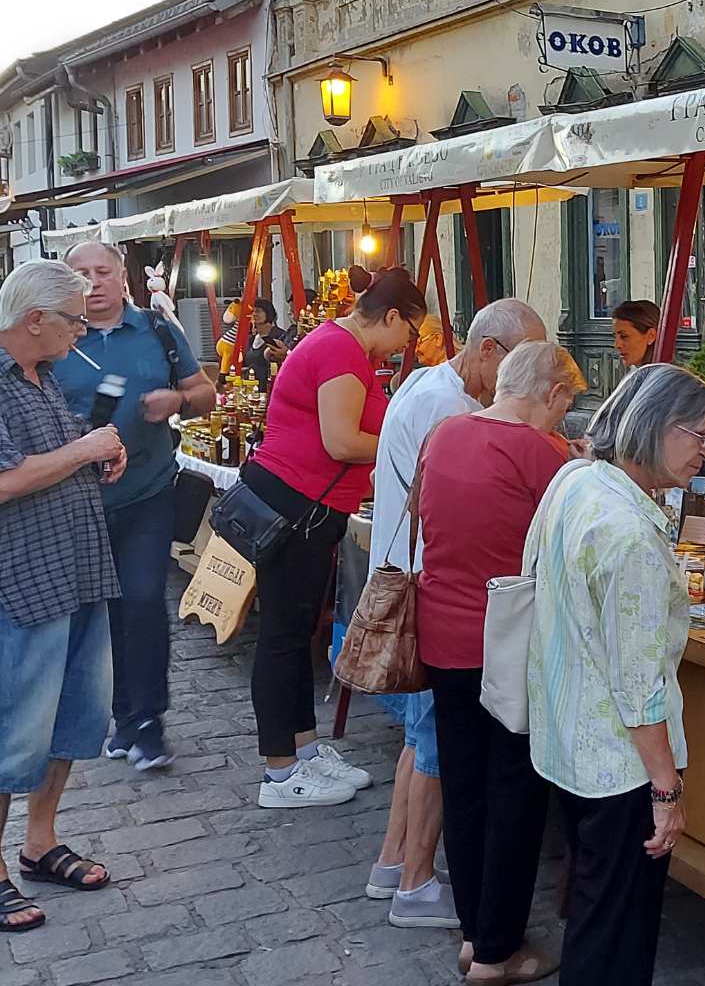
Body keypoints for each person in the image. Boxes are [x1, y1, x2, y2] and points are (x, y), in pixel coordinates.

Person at [364, 299, 547, 931]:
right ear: (491, 351)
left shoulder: (430, 384)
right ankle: (414, 885)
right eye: (520, 362)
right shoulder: (452, 411)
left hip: (429, 592)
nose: (522, 384)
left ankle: (392, 865)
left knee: (424, 742)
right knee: (439, 751)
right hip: (439, 596)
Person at [528, 363, 705, 985]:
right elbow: (640, 687)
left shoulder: (578, 480)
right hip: (617, 764)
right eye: (700, 435)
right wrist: (666, 791)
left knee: (595, 910)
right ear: (657, 427)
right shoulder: (629, 533)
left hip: (571, 737)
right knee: (617, 931)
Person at [417, 340, 586, 984]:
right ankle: (497, 950)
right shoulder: (540, 452)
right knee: (513, 793)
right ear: (551, 394)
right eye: (566, 403)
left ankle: (473, 933)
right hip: (507, 643)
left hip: (443, 632)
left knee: (464, 789)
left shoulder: (448, 433)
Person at [245, 267, 427, 808]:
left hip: (305, 507)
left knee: (294, 632)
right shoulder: (341, 349)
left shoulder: (341, 346)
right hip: (293, 505)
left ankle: (301, 749)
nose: (406, 346)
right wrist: (409, 442)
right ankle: (280, 773)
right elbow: (342, 440)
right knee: (281, 636)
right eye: (409, 333)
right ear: (391, 317)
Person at [0, 261, 127, 934]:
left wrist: (101, 453)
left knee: (75, 718)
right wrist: (83, 449)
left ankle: (39, 842)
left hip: (77, 572)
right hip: (19, 583)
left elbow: (59, 457)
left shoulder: (41, 378)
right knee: (9, 729)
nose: (82, 331)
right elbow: (4, 481)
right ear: (34, 320)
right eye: (74, 319)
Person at [57, 241, 216, 772]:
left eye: (103, 271)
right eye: (81, 273)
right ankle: (114, 717)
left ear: (121, 276)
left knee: (144, 602)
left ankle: (146, 721)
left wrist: (177, 401)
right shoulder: (54, 338)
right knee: (94, 616)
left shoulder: (157, 330)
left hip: (147, 492)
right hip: (72, 503)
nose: (93, 282)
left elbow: (205, 392)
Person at [242, 299, 290, 388]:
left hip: (271, 387)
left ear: (268, 313)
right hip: (252, 388)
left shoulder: (280, 336)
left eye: (258, 311)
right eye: (253, 311)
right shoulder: (251, 338)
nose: (254, 314)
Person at [610, 299, 661, 368]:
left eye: (624, 336)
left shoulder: (666, 377)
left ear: (651, 336)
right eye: (615, 337)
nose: (617, 345)